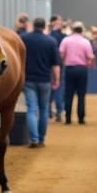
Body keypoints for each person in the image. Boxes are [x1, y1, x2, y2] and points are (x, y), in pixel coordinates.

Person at [20, 16, 60, 148]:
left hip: (28, 80)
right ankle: (41, 139)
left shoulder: (24, 39)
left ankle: (34, 138)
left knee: (31, 109)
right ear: (44, 27)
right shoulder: (51, 41)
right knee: (43, 110)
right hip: (44, 80)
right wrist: (57, 80)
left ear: (34, 25)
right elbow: (55, 65)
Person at [59, 22, 94, 124]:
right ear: (82, 30)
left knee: (68, 95)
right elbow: (90, 57)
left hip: (69, 68)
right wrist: (88, 63)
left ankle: (68, 118)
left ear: (73, 30)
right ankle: (81, 118)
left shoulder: (66, 40)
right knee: (81, 95)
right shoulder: (85, 42)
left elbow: (61, 54)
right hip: (82, 69)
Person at [48, 14, 65, 121]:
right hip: (59, 65)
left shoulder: (49, 36)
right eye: (60, 21)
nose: (61, 22)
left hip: (50, 65)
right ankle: (59, 112)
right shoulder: (63, 37)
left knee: (50, 88)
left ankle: (49, 111)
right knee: (58, 88)